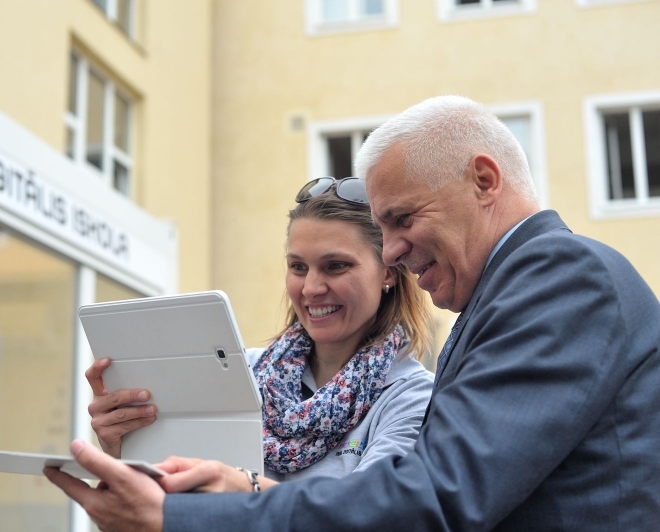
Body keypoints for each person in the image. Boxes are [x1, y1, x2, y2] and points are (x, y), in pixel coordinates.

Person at [45, 95, 660, 531]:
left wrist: (190, 514)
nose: (392, 251)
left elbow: (437, 496)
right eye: (297, 265)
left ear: (484, 180)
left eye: (402, 219)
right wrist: (135, 445)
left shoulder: (559, 275)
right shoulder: (517, 289)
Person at [83, 180, 435, 491]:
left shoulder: (411, 398)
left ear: (388, 272)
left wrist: (245, 489)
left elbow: (369, 513)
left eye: (336, 266)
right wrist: (126, 450)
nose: (311, 288)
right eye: (298, 267)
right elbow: (169, 503)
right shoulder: (245, 371)